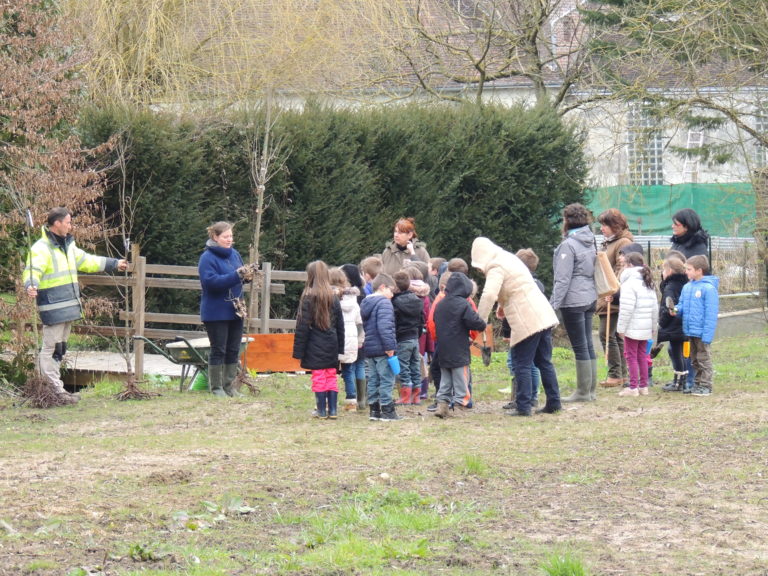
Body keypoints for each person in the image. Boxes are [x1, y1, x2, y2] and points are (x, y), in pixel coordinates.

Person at [23, 207, 128, 405]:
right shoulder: (40, 248)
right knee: (51, 348)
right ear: (57, 223)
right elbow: (32, 271)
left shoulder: (68, 246)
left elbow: (87, 261)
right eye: (68, 222)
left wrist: (113, 263)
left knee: (59, 349)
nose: (71, 226)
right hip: (53, 306)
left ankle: (50, 389)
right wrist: (31, 285)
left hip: (68, 306)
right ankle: (53, 390)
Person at [472, 237, 562, 416]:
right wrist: (502, 307)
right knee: (543, 361)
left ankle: (523, 406)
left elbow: (489, 294)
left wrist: (479, 321)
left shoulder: (495, 266)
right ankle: (554, 402)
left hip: (526, 317)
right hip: (542, 312)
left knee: (522, 362)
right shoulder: (509, 258)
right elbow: (515, 285)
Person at [198, 221, 253, 398]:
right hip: (215, 311)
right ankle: (216, 388)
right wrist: (236, 275)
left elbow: (237, 279)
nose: (229, 239)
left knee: (233, 348)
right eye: (225, 236)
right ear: (215, 237)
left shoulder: (235, 254)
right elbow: (211, 283)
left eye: (231, 236)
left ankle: (229, 387)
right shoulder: (207, 258)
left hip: (235, 309)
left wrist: (247, 276)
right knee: (218, 349)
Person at [550, 203, 598, 403]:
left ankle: (582, 392)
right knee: (587, 342)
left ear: (567, 221)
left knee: (580, 345)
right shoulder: (590, 240)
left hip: (574, 300)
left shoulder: (568, 246)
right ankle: (590, 390)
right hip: (589, 296)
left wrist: (552, 306)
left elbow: (562, 280)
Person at [292, 261, 345, 419]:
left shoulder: (308, 298)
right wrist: (340, 348)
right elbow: (340, 326)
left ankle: (321, 411)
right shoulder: (334, 298)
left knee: (319, 377)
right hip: (332, 344)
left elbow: (302, 328)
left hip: (315, 345)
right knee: (331, 375)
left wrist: (298, 351)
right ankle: (333, 411)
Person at [432, 272, 487, 418]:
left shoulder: (440, 304)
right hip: (459, 349)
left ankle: (442, 404)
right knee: (461, 378)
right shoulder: (463, 304)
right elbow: (475, 321)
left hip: (443, 348)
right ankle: (460, 404)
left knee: (446, 378)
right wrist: (483, 325)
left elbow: (434, 322)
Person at [500, 248, 546, 410]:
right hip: (536, 327)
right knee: (531, 363)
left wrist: (507, 333)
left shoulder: (519, 284)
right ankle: (531, 396)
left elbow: (510, 309)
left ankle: (522, 398)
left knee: (518, 363)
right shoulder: (538, 284)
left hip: (521, 329)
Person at [595, 209, 634, 388]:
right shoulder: (608, 243)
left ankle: (615, 374)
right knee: (615, 336)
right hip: (607, 294)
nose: (602, 228)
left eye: (605, 225)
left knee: (607, 335)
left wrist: (614, 290)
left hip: (613, 296)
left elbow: (622, 268)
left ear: (615, 226)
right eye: (601, 225)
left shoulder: (623, 242)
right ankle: (622, 374)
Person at [672, 255, 719, 397]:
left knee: (704, 359)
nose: (686, 272)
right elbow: (682, 306)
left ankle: (706, 385)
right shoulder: (687, 287)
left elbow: (711, 314)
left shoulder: (708, 289)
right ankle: (697, 383)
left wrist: (707, 335)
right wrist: (676, 310)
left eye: (689, 269)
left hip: (701, 332)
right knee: (694, 360)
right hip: (690, 331)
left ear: (699, 270)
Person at [616, 252, 658, 397]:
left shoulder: (629, 284)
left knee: (631, 356)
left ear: (629, 265)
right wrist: (653, 327)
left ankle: (633, 387)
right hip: (646, 327)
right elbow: (655, 307)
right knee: (642, 355)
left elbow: (626, 309)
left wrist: (621, 328)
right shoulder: (648, 282)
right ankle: (643, 386)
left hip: (632, 327)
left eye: (623, 264)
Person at [360, 273, 400, 421]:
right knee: (386, 379)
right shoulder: (384, 303)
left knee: (373, 379)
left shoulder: (366, 303)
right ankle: (387, 410)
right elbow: (385, 327)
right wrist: (390, 347)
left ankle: (374, 410)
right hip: (383, 348)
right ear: (383, 287)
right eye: (391, 290)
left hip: (370, 348)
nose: (392, 294)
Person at [330, 267, 363, 411]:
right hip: (351, 336)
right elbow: (359, 321)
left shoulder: (329, 299)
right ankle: (352, 401)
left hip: (335, 335)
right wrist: (360, 338)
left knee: (330, 370)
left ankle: (330, 399)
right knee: (348, 370)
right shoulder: (353, 299)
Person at [391, 271, 425, 406]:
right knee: (415, 365)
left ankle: (405, 396)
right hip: (414, 337)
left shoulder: (395, 302)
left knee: (403, 367)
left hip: (402, 338)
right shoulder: (417, 300)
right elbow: (421, 319)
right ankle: (416, 396)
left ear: (395, 287)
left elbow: (394, 321)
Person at [657, 255, 689, 392]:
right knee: (677, 351)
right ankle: (681, 380)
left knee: (675, 351)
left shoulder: (670, 287)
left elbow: (667, 308)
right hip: (682, 324)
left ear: (669, 271)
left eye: (663, 270)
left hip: (673, 325)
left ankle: (679, 382)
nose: (662, 273)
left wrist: (660, 324)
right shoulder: (685, 284)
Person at [340, 263, 368, 410]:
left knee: (348, 367)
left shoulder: (342, 296)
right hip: (360, 333)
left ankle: (351, 397)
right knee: (360, 365)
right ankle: (362, 399)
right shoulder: (363, 293)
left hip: (346, 335)